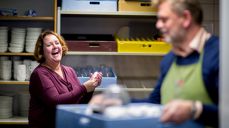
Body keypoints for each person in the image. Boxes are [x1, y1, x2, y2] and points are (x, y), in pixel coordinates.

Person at [90, 0, 219, 127]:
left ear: (185, 18)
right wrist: (118, 103)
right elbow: (154, 103)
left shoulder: (219, 54)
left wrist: (195, 110)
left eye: (164, 20)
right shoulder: (170, 59)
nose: (158, 25)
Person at [29, 30, 103, 128]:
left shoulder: (69, 71)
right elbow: (55, 102)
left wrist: (91, 88)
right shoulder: (40, 74)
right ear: (42, 51)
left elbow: (78, 104)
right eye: (49, 45)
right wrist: (84, 88)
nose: (55, 46)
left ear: (62, 47)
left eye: (57, 43)